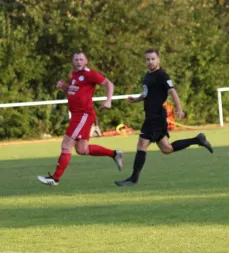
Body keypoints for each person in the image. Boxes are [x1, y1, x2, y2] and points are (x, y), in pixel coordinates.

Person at [115, 48, 213, 186]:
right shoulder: (147, 76)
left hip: (155, 117)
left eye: (152, 59)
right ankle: (197, 139)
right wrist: (136, 99)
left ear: (158, 59)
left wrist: (179, 108)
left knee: (141, 145)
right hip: (154, 117)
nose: (150, 62)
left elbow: (172, 91)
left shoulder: (162, 75)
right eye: (147, 59)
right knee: (167, 149)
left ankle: (133, 178)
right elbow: (146, 94)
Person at [37, 51, 123, 186]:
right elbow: (72, 93)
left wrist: (108, 100)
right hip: (78, 115)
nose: (78, 62)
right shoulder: (74, 75)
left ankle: (55, 178)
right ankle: (115, 154)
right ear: (73, 61)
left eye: (81, 59)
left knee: (66, 145)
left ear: (86, 61)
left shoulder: (90, 74)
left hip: (83, 115)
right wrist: (64, 87)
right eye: (76, 59)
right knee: (82, 150)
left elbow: (109, 84)